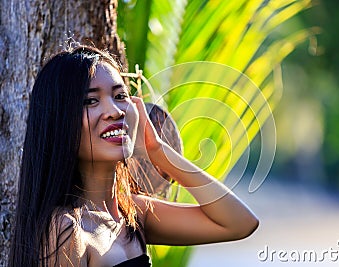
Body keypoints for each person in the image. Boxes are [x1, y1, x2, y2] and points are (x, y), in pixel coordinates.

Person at [9, 45, 259, 266]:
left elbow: (240, 223)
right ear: (59, 122)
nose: (114, 111)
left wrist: (159, 152)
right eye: (91, 101)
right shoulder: (66, 231)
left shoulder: (132, 215)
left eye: (120, 96)